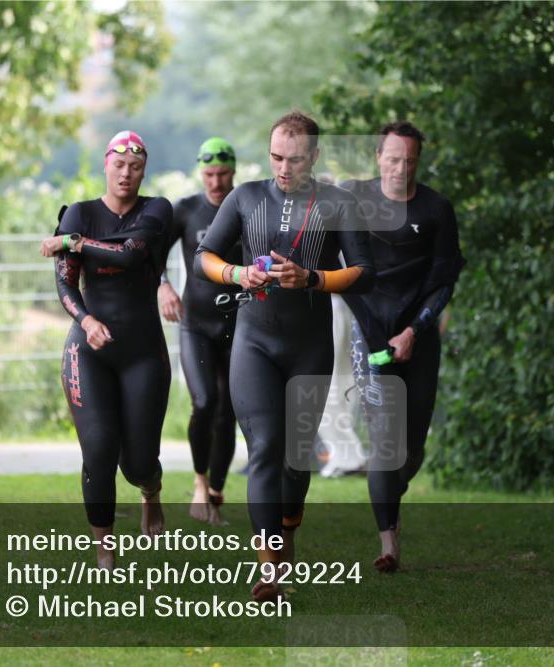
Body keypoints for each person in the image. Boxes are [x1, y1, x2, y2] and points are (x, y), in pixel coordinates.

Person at [194, 112, 375, 600]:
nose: (283, 167)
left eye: (294, 159)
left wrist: (313, 278)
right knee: (266, 449)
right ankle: (268, 566)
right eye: (275, 156)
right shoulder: (246, 197)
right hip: (254, 341)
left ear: (313, 157)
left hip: (308, 346)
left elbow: (361, 269)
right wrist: (236, 275)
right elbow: (205, 256)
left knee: (297, 462)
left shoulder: (336, 202)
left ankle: (288, 531)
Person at [40, 130, 172, 569]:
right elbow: (64, 281)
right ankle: (105, 547)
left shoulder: (156, 210)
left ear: (143, 170)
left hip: (142, 351)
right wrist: (86, 319)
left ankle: (150, 491)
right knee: (97, 449)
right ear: (105, 165)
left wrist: (72, 241)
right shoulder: (79, 212)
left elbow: (131, 254)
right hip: (88, 347)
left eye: (135, 167)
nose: (126, 174)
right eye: (119, 165)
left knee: (137, 462)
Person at [341, 121, 465, 572]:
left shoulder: (436, 209)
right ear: (378, 156)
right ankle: (388, 542)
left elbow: (445, 281)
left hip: (418, 336)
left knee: (410, 451)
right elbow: (343, 273)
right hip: (370, 334)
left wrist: (414, 331)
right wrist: (376, 335)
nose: (400, 168)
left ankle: (394, 492)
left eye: (409, 161)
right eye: (393, 159)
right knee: (384, 442)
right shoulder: (354, 200)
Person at [158, 137, 242, 526]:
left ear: (234, 172)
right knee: (205, 402)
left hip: (239, 324)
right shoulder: (187, 209)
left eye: (223, 174)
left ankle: (215, 493)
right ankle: (198, 481)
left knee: (229, 412)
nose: (216, 182)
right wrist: (163, 285)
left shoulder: (247, 206)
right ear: (200, 172)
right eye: (209, 174)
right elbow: (153, 253)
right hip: (197, 324)